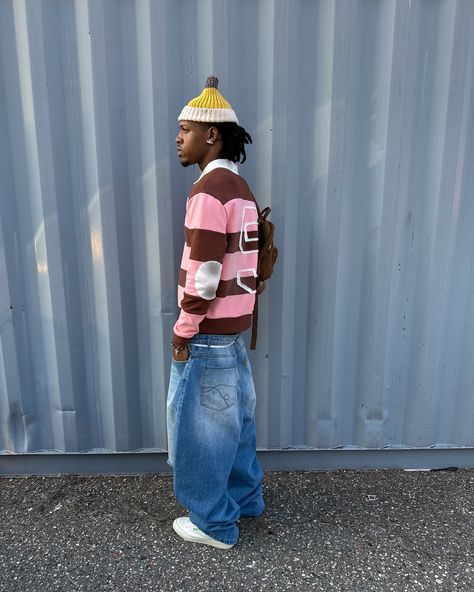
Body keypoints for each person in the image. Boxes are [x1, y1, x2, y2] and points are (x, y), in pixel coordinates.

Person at [166, 75, 265, 549]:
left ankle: (213, 523)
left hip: (207, 334)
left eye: (185, 130)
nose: (178, 139)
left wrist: (184, 329)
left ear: (212, 134)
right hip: (235, 329)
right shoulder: (240, 186)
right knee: (236, 423)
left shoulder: (207, 191)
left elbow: (205, 272)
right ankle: (246, 499)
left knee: (203, 433)